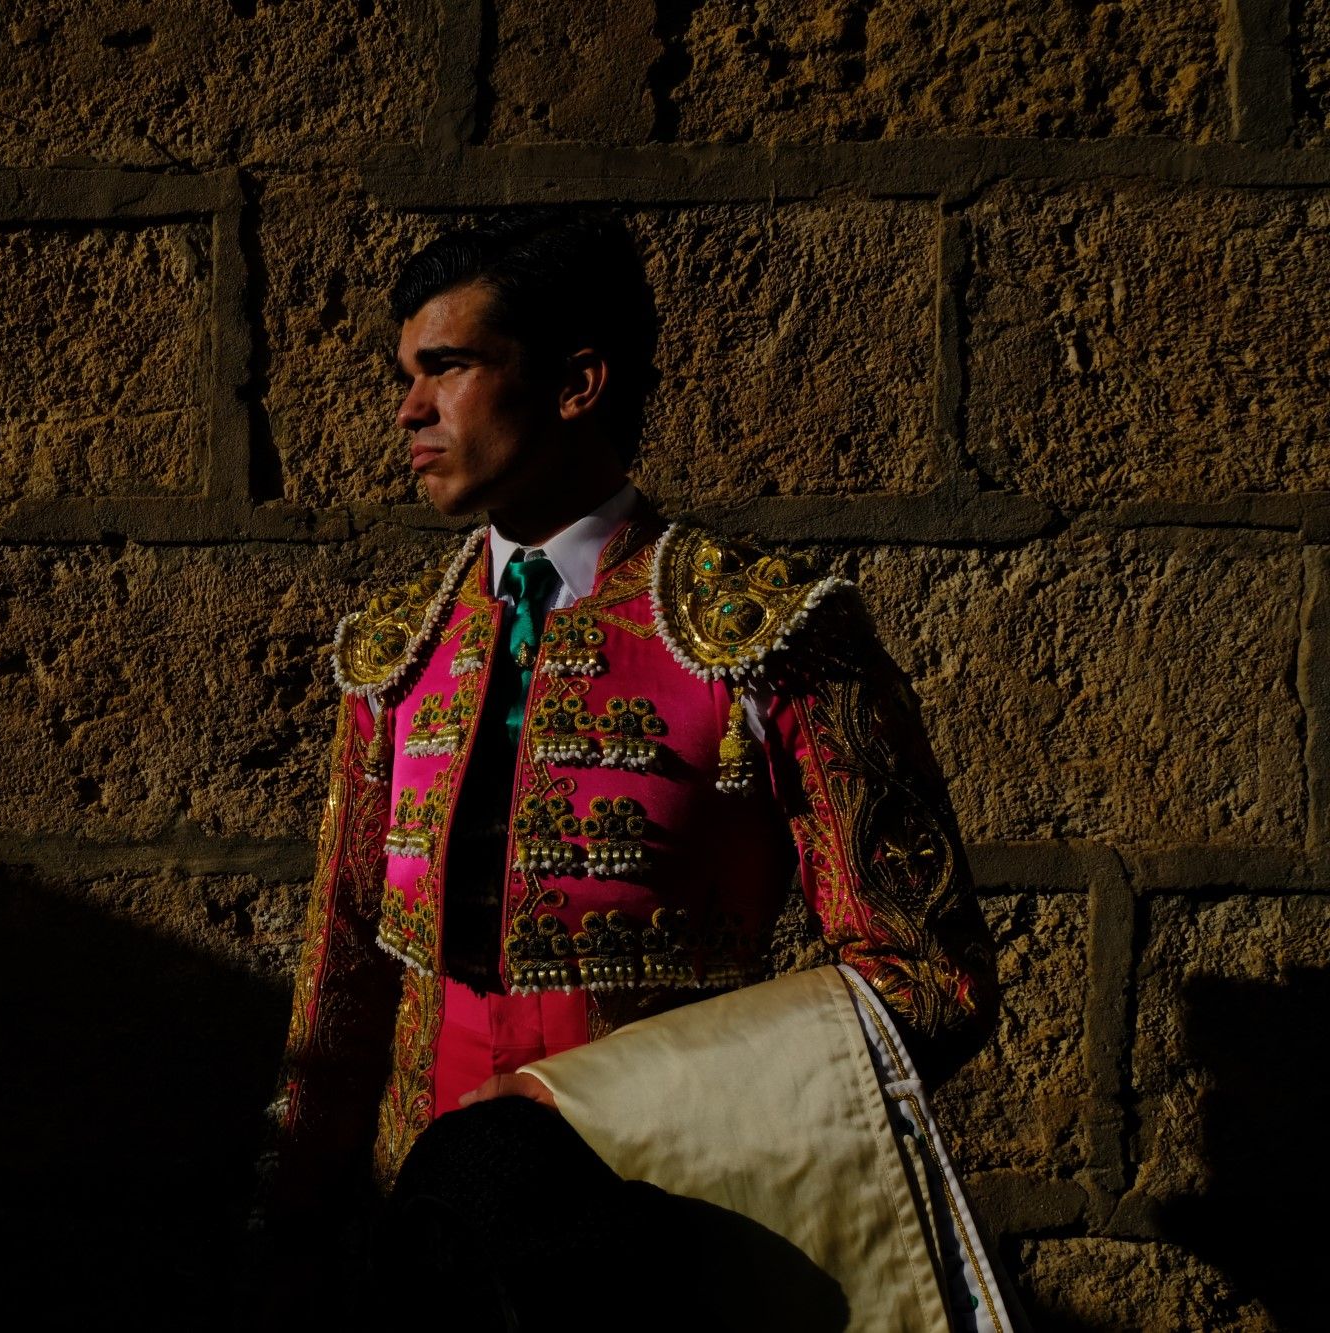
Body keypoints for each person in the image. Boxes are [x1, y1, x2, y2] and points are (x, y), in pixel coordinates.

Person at [257, 210, 1003, 1321]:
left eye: (447, 368)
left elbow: (925, 976)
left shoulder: (767, 631)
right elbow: (344, 973)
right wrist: (288, 1232)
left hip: (662, 1235)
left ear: (575, 383)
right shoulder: (396, 647)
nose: (408, 409)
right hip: (424, 1254)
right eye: (406, 375)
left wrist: (608, 1100)